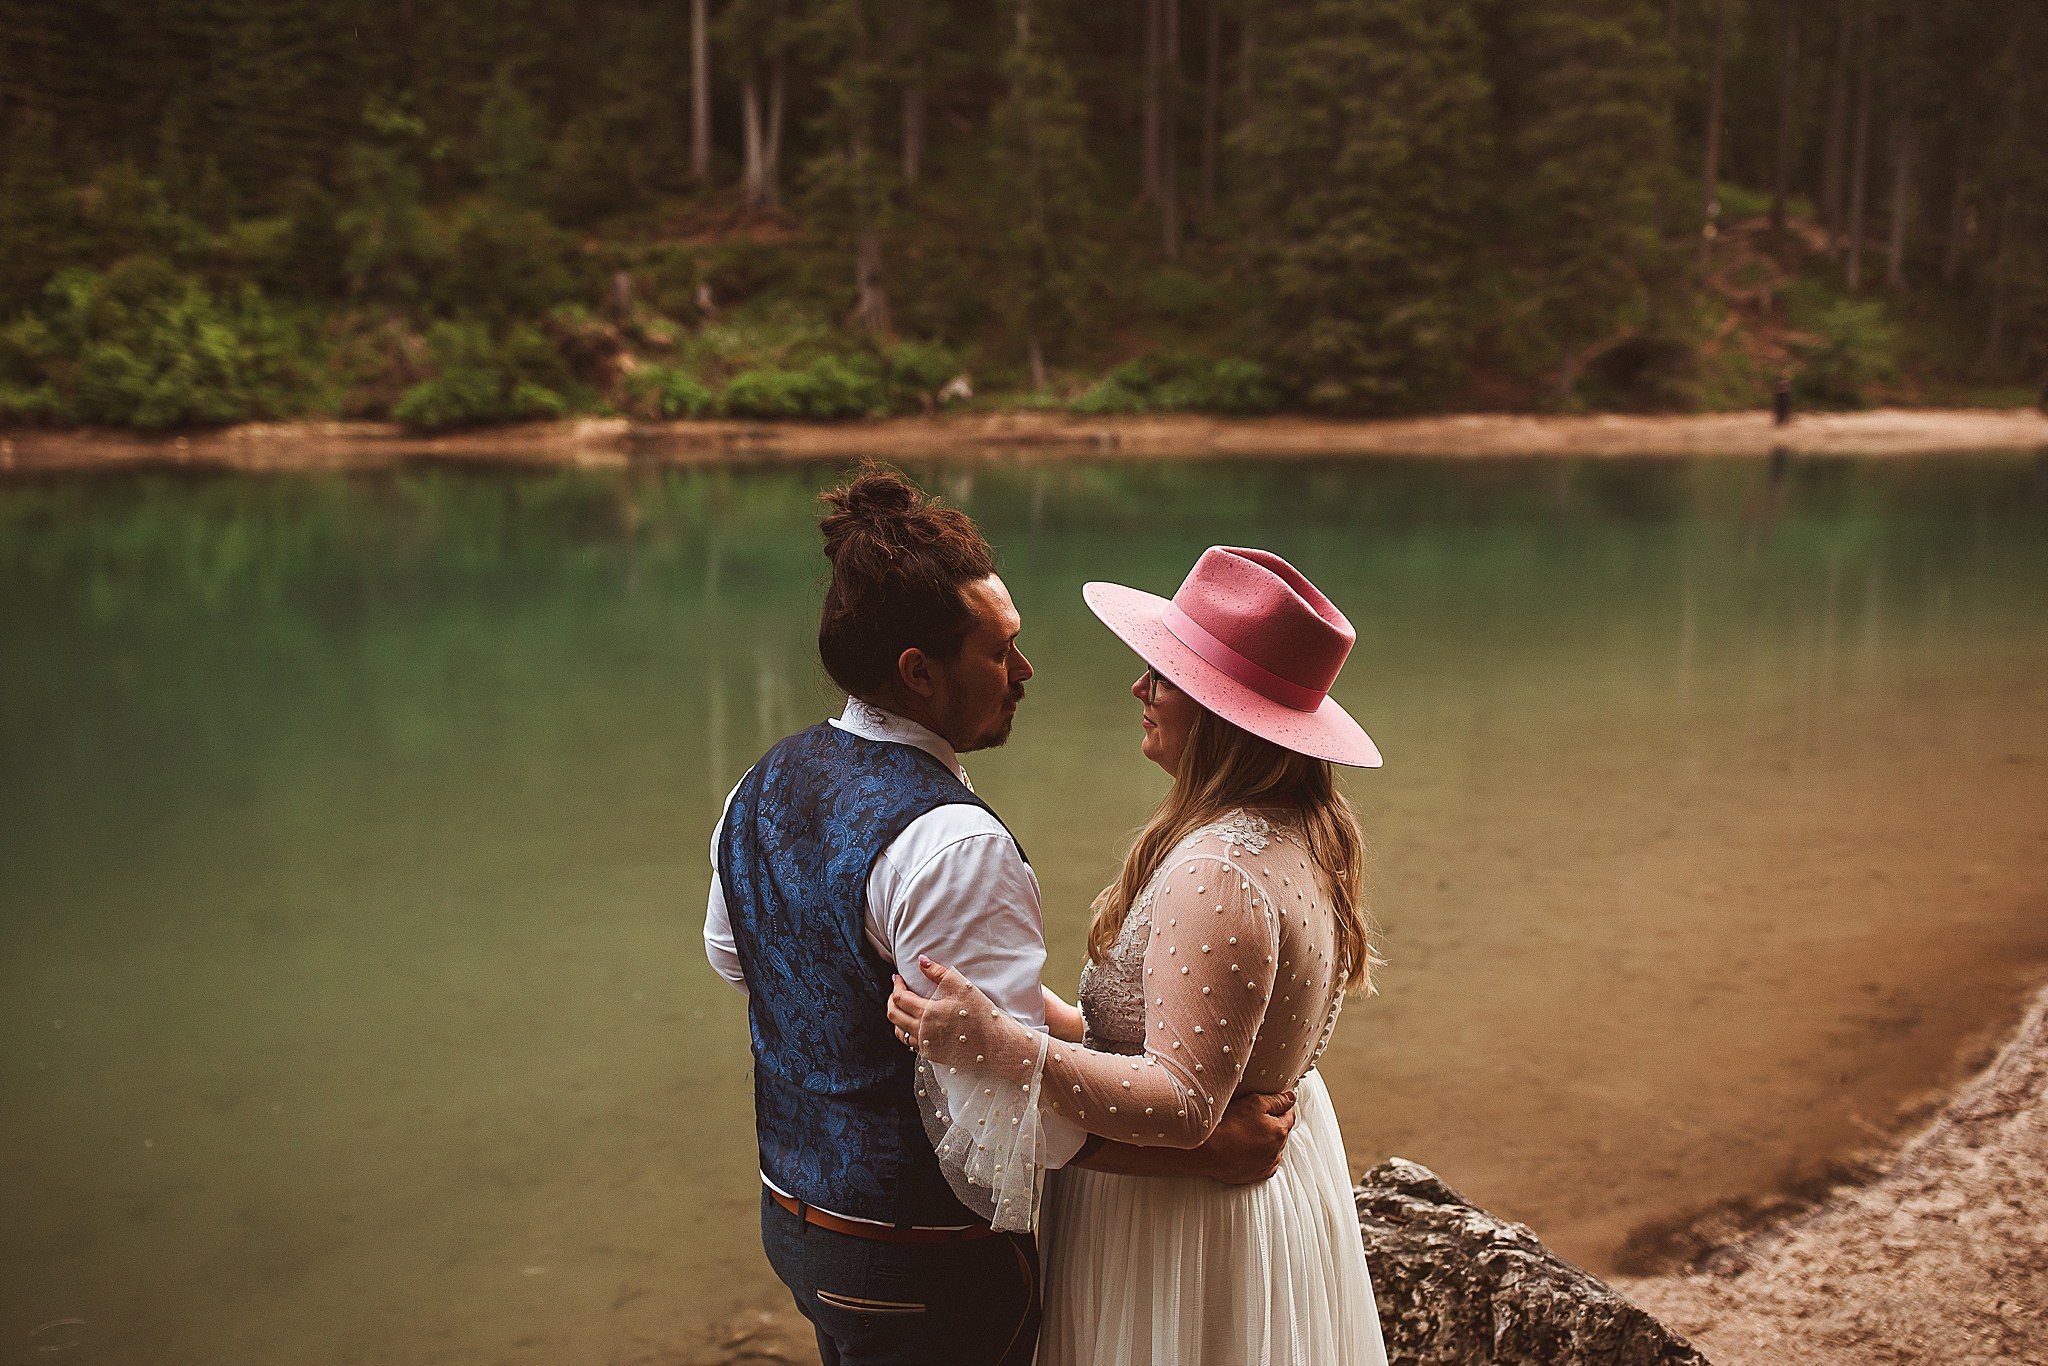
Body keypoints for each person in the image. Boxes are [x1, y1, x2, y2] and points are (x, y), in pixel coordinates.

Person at [703, 468, 1300, 1366]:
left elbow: (737, 955)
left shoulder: (765, 780)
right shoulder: (955, 847)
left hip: (795, 1219)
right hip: (924, 1263)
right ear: (919, 673)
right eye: (999, 652)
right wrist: (1203, 1153)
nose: (1025, 673)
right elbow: (1009, 1124)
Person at [889, 545, 1392, 1365]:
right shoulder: (1306, 828)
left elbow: (1187, 1102)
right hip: (1258, 1198)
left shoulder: (1217, 871)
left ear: (1219, 708)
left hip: (1180, 1228)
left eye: (1162, 675)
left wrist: (999, 1047)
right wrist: (1025, 1008)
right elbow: (1189, 1030)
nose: (1140, 688)